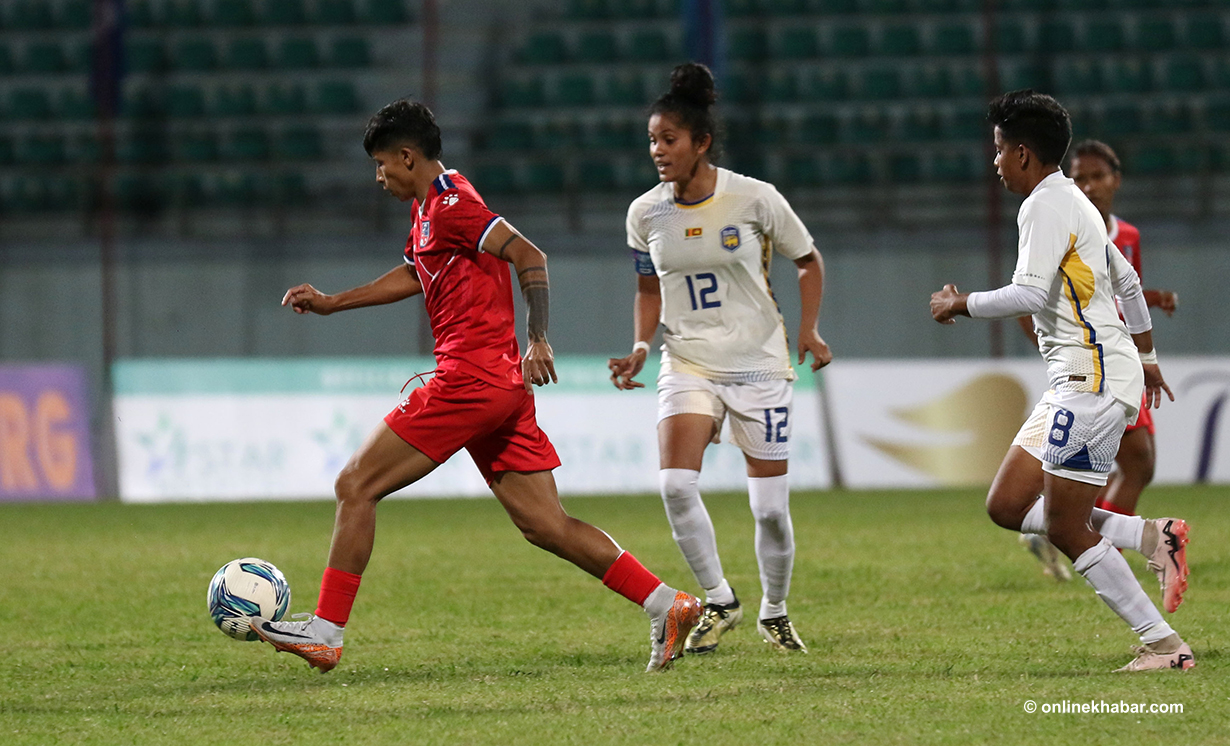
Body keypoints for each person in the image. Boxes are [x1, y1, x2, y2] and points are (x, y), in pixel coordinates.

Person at [250, 99, 701, 674]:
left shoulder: (454, 205)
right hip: (501, 387)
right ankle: (668, 604)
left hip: (470, 378)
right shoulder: (434, 206)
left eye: (382, 164)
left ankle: (327, 631)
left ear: (407, 156)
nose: (379, 175)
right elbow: (417, 272)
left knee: (355, 484)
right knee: (545, 524)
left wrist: (539, 337)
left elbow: (528, 254)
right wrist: (335, 302)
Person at [929, 90, 1193, 672]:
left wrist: (960, 302)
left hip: (1090, 381)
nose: (994, 162)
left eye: (998, 151)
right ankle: (1153, 537)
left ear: (1023, 153)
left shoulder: (1044, 207)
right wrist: (1147, 358)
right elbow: (1126, 284)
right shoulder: (1073, 201)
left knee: (1064, 524)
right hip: (1083, 377)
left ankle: (1164, 645)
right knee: (1006, 504)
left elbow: (1026, 294)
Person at [608, 63, 832, 656]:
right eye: (652, 140)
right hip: (686, 361)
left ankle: (774, 611)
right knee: (676, 484)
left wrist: (808, 331)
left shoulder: (756, 198)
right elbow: (648, 289)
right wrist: (637, 347)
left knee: (769, 514)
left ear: (701, 142)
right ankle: (719, 599)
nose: (658, 151)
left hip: (759, 364)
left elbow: (808, 260)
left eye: (669, 140)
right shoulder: (644, 213)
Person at [1016, 140, 1181, 581]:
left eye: (1097, 177)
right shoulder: (1064, 227)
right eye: (1080, 177)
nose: (1088, 186)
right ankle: (1101, 544)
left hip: (1120, 359)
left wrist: (1152, 304)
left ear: (1116, 180)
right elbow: (1028, 301)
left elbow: (1121, 291)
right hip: (1099, 368)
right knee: (1138, 462)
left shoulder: (1126, 237)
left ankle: (1075, 534)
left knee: (1121, 466)